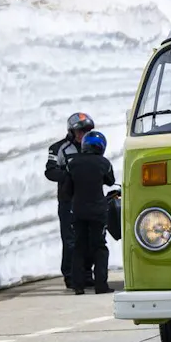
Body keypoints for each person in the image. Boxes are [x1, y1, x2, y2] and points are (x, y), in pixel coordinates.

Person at [45, 112, 95, 289]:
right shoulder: (58, 148)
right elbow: (50, 171)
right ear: (72, 132)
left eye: (87, 130)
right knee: (71, 239)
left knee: (90, 237)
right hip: (69, 201)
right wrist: (69, 176)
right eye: (80, 131)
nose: (83, 134)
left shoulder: (93, 146)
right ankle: (71, 276)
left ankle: (87, 274)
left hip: (89, 199)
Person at [64, 130, 116, 294]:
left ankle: (78, 286)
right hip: (97, 211)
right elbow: (110, 181)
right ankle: (101, 285)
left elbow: (67, 189)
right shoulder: (103, 163)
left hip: (78, 210)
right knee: (99, 247)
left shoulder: (72, 163)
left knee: (79, 247)